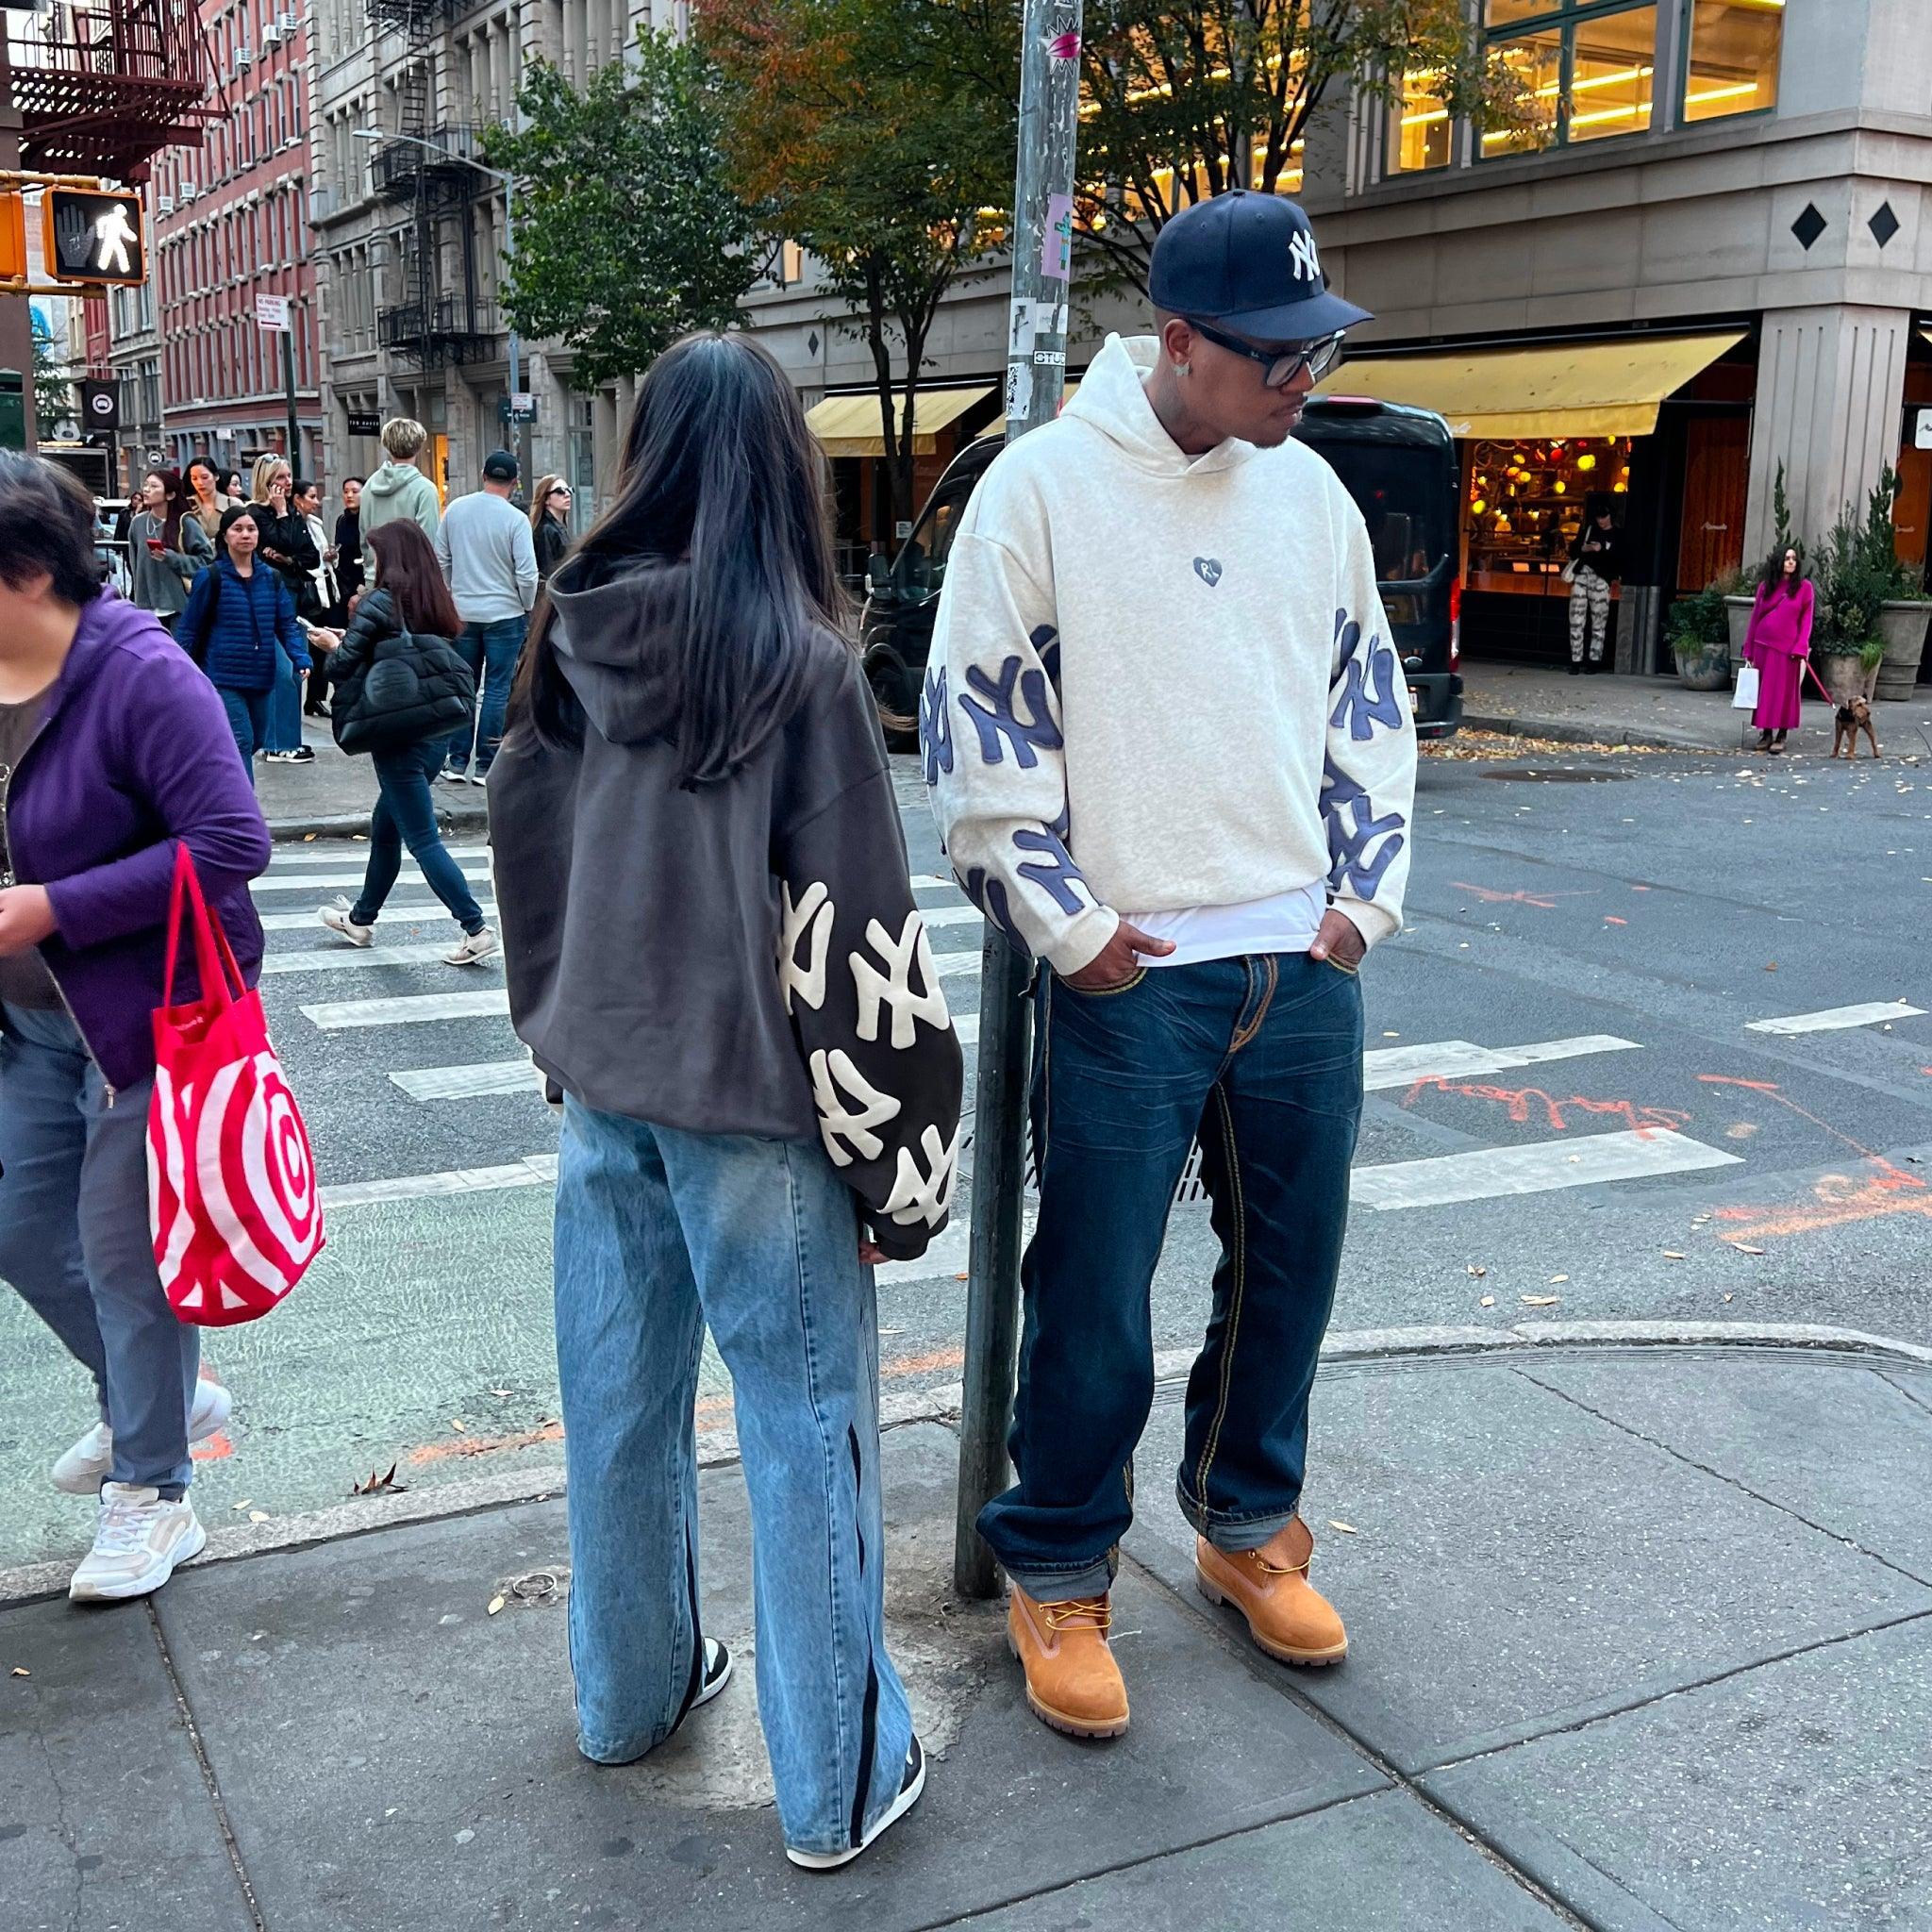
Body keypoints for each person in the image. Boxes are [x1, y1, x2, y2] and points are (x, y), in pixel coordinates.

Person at [924, 192, 1415, 1739]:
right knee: (1090, 1289)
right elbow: (974, 725)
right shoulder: (1043, 490)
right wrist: (1070, 931)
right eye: (1273, 353)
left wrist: (1360, 899)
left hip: (1299, 959)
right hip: (1128, 967)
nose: (1303, 377)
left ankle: (1239, 1520)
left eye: (1314, 347)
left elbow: (1369, 709)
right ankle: (1059, 1563)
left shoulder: (1311, 498)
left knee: (1293, 1272)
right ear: (1179, 341)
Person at [491, 332, 962, 1869]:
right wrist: (902, 1169)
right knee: (801, 1416)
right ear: (780, 468)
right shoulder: (798, 662)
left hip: (601, 1084)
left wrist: (548, 1020)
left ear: (646, 455)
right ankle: (828, 1786)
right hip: (755, 1105)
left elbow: (523, 836)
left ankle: (626, 1698)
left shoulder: (571, 624)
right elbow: (860, 933)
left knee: (617, 1411)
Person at [0, 452, 271, 1602]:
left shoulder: (139, 673)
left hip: (150, 1020)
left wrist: (54, 905)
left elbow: (231, 844)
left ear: (24, 571)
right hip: (29, 1025)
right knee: (18, 1226)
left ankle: (156, 1490)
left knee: (125, 1260)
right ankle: (156, 1396)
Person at [314, 522, 496, 966]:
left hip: (397, 737)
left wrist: (327, 643)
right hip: (435, 733)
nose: (373, 565)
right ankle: (361, 918)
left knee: (421, 838)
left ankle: (475, 927)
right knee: (386, 827)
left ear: (392, 559)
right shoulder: (435, 598)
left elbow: (342, 667)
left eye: (377, 556)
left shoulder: (382, 601)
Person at [177, 506, 311, 778]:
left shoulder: (271, 578)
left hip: (261, 676)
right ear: (225, 536)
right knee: (242, 739)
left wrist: (300, 657)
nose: (246, 535)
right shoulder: (211, 577)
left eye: (251, 529)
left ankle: (219, 787)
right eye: (238, 529)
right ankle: (246, 813)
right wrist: (178, 669)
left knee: (257, 740)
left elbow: (286, 623)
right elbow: (189, 628)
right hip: (223, 676)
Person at [435, 450, 539, 783]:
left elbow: (441, 560)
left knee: (464, 685)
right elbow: (527, 573)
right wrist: (526, 604)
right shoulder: (515, 519)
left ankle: (456, 759)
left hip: (463, 611)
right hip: (505, 612)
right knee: (497, 688)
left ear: (483, 475)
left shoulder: (456, 510)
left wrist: (453, 593)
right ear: (514, 481)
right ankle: (486, 763)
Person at [245, 457, 321, 764]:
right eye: (280, 477)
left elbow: (310, 556)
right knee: (282, 671)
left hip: (294, 600)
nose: (287, 483)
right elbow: (278, 542)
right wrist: (279, 514)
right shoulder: (255, 514)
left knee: (296, 671)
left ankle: (289, 740)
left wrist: (288, 559)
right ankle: (277, 743)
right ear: (266, 480)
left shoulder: (293, 514)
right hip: (266, 601)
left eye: (289, 476)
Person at [1742, 543, 1813, 755]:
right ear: (1778, 561)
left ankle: (1782, 734)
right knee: (1765, 693)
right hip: (1763, 645)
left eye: (1793, 558)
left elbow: (1806, 620)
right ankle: (1766, 733)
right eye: (1786, 558)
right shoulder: (1766, 587)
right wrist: (1749, 649)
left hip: (1788, 649)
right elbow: (1755, 617)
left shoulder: (1804, 587)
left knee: (1784, 693)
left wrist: (1801, 646)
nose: (1791, 562)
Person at [125, 467, 213, 635]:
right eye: (146, 485)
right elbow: (134, 564)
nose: (146, 490)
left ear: (170, 494)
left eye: (154, 486)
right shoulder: (137, 523)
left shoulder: (185, 522)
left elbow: (207, 561)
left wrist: (171, 558)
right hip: (147, 609)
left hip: (179, 608)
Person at [293, 478, 339, 716]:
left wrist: (329, 556)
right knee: (305, 646)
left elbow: (319, 556)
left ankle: (316, 697)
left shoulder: (315, 523)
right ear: (297, 500)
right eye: (311, 496)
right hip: (305, 591)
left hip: (325, 590)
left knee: (322, 646)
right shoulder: (292, 525)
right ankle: (302, 699)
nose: (316, 502)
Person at [359, 417, 441, 542]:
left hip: (378, 561)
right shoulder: (425, 489)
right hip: (411, 562)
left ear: (387, 446)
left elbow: (364, 537)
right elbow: (429, 541)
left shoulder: (369, 487)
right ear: (418, 446)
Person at [1567, 505, 1623, 675]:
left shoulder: (1617, 534)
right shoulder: (1588, 531)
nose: (1601, 521)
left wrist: (1602, 550)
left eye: (1604, 517)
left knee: (1599, 621)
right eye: (1599, 517)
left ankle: (1593, 660)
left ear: (1610, 516)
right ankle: (1576, 660)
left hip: (1601, 579)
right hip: (1583, 575)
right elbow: (1573, 550)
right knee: (1576, 619)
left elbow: (1618, 558)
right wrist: (1584, 548)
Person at [530, 474, 573, 582]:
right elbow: (548, 572)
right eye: (560, 491)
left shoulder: (558, 527)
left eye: (569, 490)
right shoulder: (546, 529)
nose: (567, 494)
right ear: (546, 499)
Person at [334, 475, 366, 617]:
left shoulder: (368, 520)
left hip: (363, 583)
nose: (349, 495)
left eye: (355, 491)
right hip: (343, 584)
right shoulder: (341, 521)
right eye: (346, 491)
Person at [184, 458, 233, 544]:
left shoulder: (232, 504)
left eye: (204, 477)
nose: (200, 483)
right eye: (194, 478)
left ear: (216, 476)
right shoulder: (185, 505)